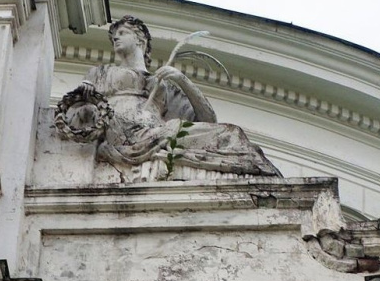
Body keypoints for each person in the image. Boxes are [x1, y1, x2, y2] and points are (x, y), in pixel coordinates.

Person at [59, 15, 281, 180]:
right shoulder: (101, 72)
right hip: (122, 133)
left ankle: (264, 176)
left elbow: (208, 119)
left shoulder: (162, 85)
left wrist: (182, 79)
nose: (115, 37)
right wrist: (86, 100)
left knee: (230, 133)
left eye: (123, 32)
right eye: (114, 35)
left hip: (157, 133)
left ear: (140, 40)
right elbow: (74, 113)